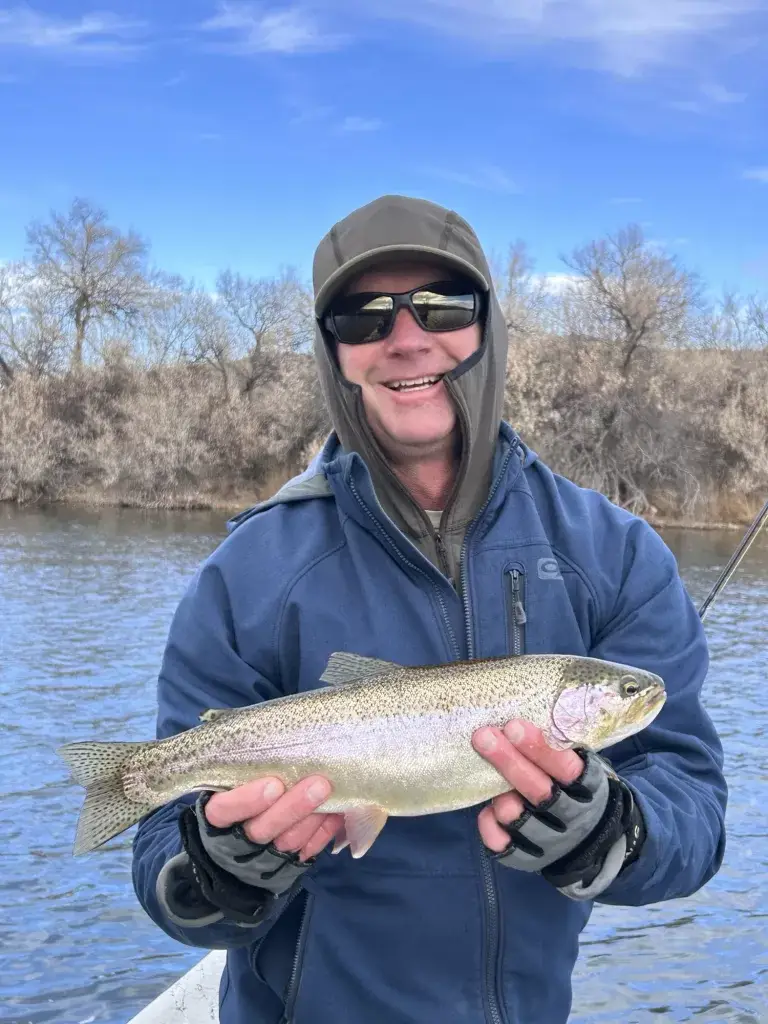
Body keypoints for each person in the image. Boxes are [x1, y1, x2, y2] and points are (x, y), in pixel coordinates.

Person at [132, 194, 728, 1024]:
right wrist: (217, 872)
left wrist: (617, 832)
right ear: (334, 354)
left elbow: (691, 804)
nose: (407, 338)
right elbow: (163, 861)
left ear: (489, 327)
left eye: (443, 306)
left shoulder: (615, 553)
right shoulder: (247, 573)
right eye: (364, 317)